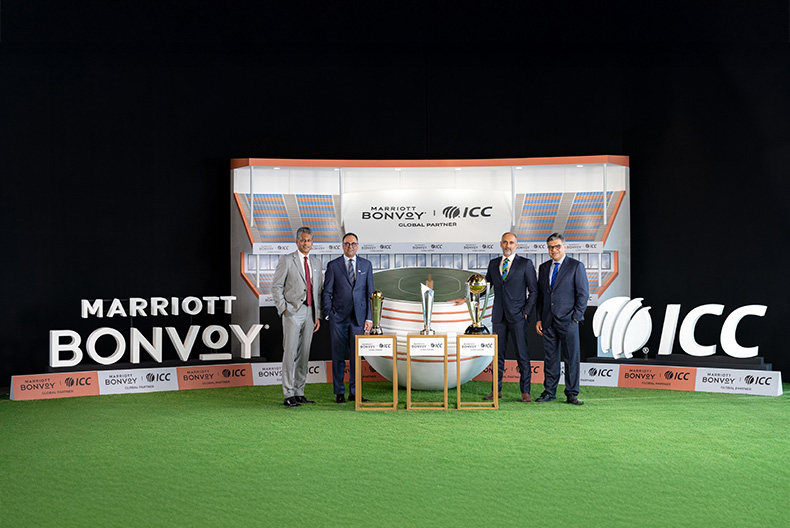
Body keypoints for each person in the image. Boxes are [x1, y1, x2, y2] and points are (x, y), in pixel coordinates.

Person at [271, 226, 323, 408]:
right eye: (303, 240)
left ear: (312, 242)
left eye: (309, 240)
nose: (306, 243)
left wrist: (317, 315)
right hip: (292, 312)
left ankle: (299, 392)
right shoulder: (287, 260)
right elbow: (276, 286)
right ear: (297, 241)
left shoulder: (316, 262)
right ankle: (288, 394)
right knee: (290, 352)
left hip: (310, 312)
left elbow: (318, 291)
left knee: (304, 354)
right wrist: (283, 308)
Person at [535, 233, 589, 405]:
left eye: (557, 246)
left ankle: (571, 393)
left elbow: (583, 294)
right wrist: (539, 318)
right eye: (551, 247)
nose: (554, 250)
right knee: (550, 359)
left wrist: (575, 317)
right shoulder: (544, 267)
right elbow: (541, 296)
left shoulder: (576, 266)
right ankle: (549, 392)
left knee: (571, 358)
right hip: (548, 321)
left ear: (564, 247)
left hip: (569, 321)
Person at [484, 232, 538, 402]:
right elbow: (485, 288)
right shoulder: (493, 264)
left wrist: (526, 311)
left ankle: (525, 391)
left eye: (511, 242)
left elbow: (534, 291)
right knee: (497, 355)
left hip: (518, 316)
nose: (508, 245)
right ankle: (496, 390)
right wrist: (466, 297)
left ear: (516, 245)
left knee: (522, 354)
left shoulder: (525, 264)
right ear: (501, 244)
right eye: (505, 242)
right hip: (498, 316)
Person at [322, 233, 374, 403]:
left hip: (359, 319)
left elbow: (370, 293)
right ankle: (339, 392)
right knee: (338, 356)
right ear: (342, 245)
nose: (350, 246)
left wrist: (369, 318)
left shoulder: (366, 265)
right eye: (347, 243)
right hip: (338, 319)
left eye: (353, 243)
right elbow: (327, 292)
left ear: (357, 245)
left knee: (356, 357)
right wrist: (329, 313)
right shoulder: (333, 265)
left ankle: (355, 393)